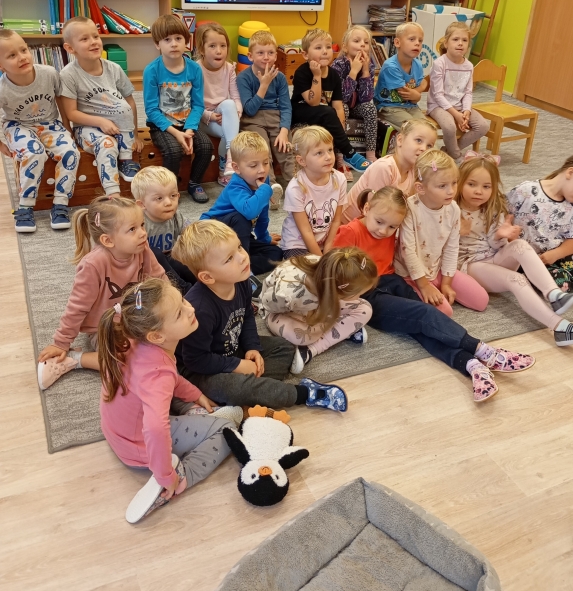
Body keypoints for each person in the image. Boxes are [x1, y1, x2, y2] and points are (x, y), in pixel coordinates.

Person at [333, 186, 534, 402]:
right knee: (424, 314)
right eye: (379, 222)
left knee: (423, 328)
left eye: (392, 227)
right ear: (366, 209)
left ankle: (472, 366)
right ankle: (484, 351)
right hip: (367, 294)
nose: (383, 231)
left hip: (392, 281)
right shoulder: (350, 231)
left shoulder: (388, 226)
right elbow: (333, 271)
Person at [97, 278, 237, 524]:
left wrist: (195, 394)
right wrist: (165, 475)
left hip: (117, 431)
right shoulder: (157, 374)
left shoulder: (132, 340)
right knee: (228, 430)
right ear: (157, 336)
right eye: (180, 313)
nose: (190, 309)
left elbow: (170, 378)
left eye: (183, 301)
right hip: (138, 444)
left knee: (176, 400)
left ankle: (193, 416)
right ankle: (182, 476)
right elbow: (154, 427)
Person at [171, 220, 349, 412]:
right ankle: (304, 394)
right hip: (201, 370)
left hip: (231, 351)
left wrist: (252, 347)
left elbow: (247, 316)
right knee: (234, 387)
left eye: (239, 247)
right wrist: (237, 365)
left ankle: (251, 394)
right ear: (207, 277)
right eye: (229, 258)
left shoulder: (241, 281)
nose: (242, 257)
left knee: (284, 347)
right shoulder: (199, 308)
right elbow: (195, 360)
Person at [457, 153, 573, 346]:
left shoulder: (492, 206)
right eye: (472, 184)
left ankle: (555, 295)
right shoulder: (451, 208)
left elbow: (493, 244)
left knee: (521, 245)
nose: (479, 191)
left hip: (493, 256)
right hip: (470, 264)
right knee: (517, 280)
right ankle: (561, 327)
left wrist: (501, 236)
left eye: (486, 186)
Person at [36, 195, 166, 390]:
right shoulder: (92, 265)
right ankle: (76, 359)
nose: (143, 233)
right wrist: (61, 343)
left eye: (142, 225)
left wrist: (175, 306)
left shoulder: (142, 249)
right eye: (132, 229)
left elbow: (159, 279)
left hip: (135, 317)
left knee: (168, 345)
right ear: (107, 240)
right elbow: (77, 307)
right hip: (105, 327)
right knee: (125, 365)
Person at [0, 29, 80, 233]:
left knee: (71, 152)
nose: (22, 57)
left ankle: (60, 204)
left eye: (23, 50)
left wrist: (67, 125)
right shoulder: (2, 88)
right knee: (34, 153)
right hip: (17, 125)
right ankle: (25, 207)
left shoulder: (49, 73)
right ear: (1, 66)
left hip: (50, 123)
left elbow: (60, 98)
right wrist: (1, 144)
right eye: (12, 55)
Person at [396, 148, 489, 316]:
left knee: (481, 300)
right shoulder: (409, 209)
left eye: (454, 183)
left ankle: (437, 286)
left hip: (436, 269)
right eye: (442, 186)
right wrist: (424, 286)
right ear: (420, 188)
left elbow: (451, 247)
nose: (451, 191)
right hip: (411, 275)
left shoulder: (452, 208)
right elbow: (407, 251)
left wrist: (446, 282)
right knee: (445, 312)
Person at [60, 16, 143, 195]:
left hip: (119, 126)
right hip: (87, 128)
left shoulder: (114, 69)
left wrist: (135, 135)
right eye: (84, 39)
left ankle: (126, 160)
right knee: (107, 145)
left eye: (96, 36)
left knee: (124, 109)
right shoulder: (68, 75)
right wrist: (100, 122)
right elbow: (71, 113)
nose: (93, 42)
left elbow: (130, 102)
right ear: (70, 48)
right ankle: (113, 195)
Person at [260, 248, 378, 373]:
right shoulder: (290, 294)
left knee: (365, 308)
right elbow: (268, 306)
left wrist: (318, 314)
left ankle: (311, 350)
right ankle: (343, 328)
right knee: (301, 336)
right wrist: (309, 315)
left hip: (320, 303)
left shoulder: (333, 269)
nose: (359, 297)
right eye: (358, 294)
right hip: (280, 312)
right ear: (340, 290)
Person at [143, 14, 213, 204]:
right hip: (162, 125)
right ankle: (169, 190)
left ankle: (194, 183)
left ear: (186, 42)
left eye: (178, 38)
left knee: (206, 146)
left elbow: (198, 105)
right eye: (167, 40)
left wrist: (189, 130)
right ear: (157, 44)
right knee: (173, 151)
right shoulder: (152, 70)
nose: (173, 44)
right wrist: (176, 133)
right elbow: (151, 110)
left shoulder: (194, 69)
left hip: (187, 123)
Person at [507, 153, 573, 292]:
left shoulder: (570, 206)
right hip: (524, 258)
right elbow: (499, 217)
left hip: (555, 254)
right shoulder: (526, 191)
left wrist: (556, 254)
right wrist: (509, 239)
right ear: (570, 172)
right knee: (561, 284)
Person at [201, 131, 283, 276]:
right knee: (241, 218)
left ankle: (237, 267)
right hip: (212, 233)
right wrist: (265, 191)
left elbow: (262, 214)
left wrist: (264, 238)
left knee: (275, 253)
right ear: (236, 168)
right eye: (253, 165)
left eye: (266, 163)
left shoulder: (263, 181)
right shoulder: (235, 186)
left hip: (237, 237)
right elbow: (249, 212)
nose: (262, 170)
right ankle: (239, 269)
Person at [291, 28, 371, 173]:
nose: (325, 51)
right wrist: (316, 75)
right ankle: (350, 154)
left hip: (323, 113)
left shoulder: (333, 75)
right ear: (305, 55)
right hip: (300, 112)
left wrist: (340, 127)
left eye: (328, 47)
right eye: (318, 48)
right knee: (327, 111)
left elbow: (338, 106)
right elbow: (313, 102)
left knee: (332, 115)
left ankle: (341, 157)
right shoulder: (302, 72)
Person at [237, 29, 294, 208]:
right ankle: (269, 190)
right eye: (260, 53)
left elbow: (286, 107)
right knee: (262, 151)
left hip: (275, 117)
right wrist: (263, 85)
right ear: (250, 56)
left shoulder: (280, 77)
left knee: (286, 149)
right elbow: (250, 109)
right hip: (252, 120)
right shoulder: (243, 77)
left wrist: (284, 131)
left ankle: (296, 186)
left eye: (270, 53)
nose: (266, 57)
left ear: (276, 55)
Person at [342, 117, 437, 223]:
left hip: (384, 223)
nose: (424, 148)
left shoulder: (414, 171)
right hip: (354, 224)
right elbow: (375, 211)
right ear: (400, 140)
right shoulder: (384, 167)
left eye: (429, 146)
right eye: (418, 140)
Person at [280, 126, 347, 259]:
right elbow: (305, 231)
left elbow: (336, 221)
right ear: (302, 160)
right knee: (307, 270)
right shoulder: (295, 188)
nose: (328, 157)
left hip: (324, 241)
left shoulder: (340, 179)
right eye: (319, 153)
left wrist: (327, 250)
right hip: (298, 244)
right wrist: (320, 260)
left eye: (330, 150)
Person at [426, 21, 489, 162]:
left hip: (460, 106)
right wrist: (456, 114)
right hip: (438, 106)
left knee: (483, 126)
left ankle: (449, 151)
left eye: (464, 40)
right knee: (450, 127)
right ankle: (456, 156)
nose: (460, 43)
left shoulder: (469, 66)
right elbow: (437, 95)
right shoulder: (439, 63)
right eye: (455, 39)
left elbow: (468, 92)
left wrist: (466, 111)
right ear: (446, 43)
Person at [131, 165, 196, 292]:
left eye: (173, 196)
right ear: (142, 204)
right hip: (146, 265)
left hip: (169, 257)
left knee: (183, 262)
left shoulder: (176, 216)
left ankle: (200, 286)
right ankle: (183, 290)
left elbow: (192, 233)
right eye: (159, 198)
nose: (168, 202)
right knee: (155, 252)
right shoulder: (140, 223)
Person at [195, 22, 241, 187]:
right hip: (203, 118)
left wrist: (236, 113)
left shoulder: (229, 68)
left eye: (223, 45)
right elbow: (193, 103)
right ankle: (226, 164)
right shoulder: (196, 69)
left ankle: (228, 160)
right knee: (228, 132)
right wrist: (210, 116)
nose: (219, 51)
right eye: (212, 46)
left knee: (229, 104)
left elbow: (236, 97)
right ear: (202, 49)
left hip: (223, 113)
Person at [331, 25, 379, 172]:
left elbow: (366, 98)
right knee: (343, 108)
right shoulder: (338, 65)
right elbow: (342, 97)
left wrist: (365, 71)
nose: (362, 44)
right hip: (340, 105)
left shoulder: (369, 65)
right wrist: (353, 72)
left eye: (366, 42)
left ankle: (370, 155)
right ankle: (341, 156)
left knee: (370, 108)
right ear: (345, 47)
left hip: (357, 106)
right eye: (357, 41)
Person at [374, 22, 428, 128]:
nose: (417, 43)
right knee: (413, 128)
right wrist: (419, 92)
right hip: (389, 107)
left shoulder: (418, 65)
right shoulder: (390, 66)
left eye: (420, 40)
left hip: (411, 106)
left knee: (427, 128)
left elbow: (415, 95)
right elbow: (406, 93)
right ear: (397, 42)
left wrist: (416, 94)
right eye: (412, 39)